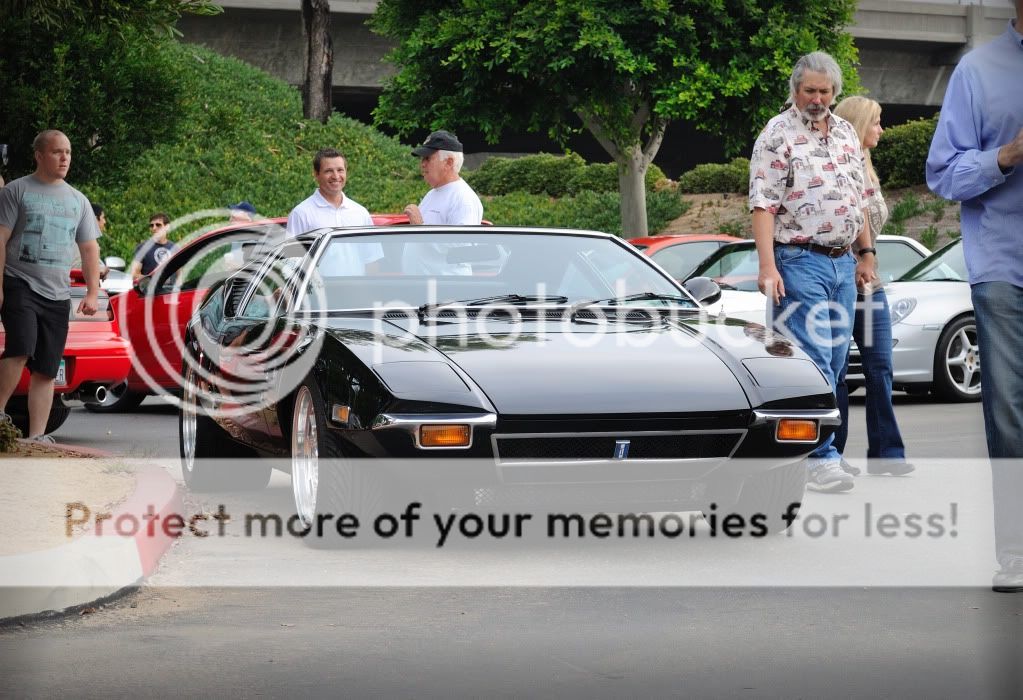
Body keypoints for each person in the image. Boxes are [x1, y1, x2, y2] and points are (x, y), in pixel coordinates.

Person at [926, 0, 1023, 593]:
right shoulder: (976, 70)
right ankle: (1016, 551)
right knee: (1010, 413)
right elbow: (943, 173)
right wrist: (1006, 156)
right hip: (1004, 266)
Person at [749, 51, 877, 493]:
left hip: (843, 261)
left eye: (824, 92)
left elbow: (856, 199)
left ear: (835, 92)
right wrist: (767, 265)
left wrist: (866, 252)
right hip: (798, 258)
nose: (817, 99)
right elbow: (763, 202)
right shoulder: (777, 133)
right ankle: (822, 458)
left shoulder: (844, 133)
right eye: (809, 91)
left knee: (837, 362)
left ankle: (809, 450)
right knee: (814, 357)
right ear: (795, 89)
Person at [0, 129, 101, 442]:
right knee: (20, 346)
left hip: (57, 294)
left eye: (68, 152)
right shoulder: (16, 191)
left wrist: (93, 292)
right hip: (19, 283)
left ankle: (37, 437)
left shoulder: (77, 200)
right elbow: (1, 239)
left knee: (46, 368)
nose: (64, 158)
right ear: (39, 156)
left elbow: (89, 249)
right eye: (57, 152)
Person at [831, 96, 913, 477]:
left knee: (880, 367)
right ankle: (833, 455)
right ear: (859, 124)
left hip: (871, 284)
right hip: (838, 280)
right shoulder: (837, 165)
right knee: (837, 370)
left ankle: (887, 454)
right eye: (876, 122)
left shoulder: (867, 166)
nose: (881, 129)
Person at [286, 148, 381, 275]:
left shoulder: (360, 213)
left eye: (340, 170)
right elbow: (291, 262)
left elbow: (372, 260)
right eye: (328, 171)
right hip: (318, 293)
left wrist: (371, 292)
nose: (336, 176)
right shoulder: (301, 214)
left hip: (357, 291)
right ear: (316, 174)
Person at [402, 130, 483, 275]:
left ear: (449, 162)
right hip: (426, 289)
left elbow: (462, 246)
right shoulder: (433, 193)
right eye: (422, 159)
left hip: (447, 290)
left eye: (427, 158)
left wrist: (420, 227)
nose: (422, 164)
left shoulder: (463, 198)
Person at [130, 212, 177, 282]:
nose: (154, 228)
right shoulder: (142, 247)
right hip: (150, 291)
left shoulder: (175, 248)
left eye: (158, 225)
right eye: (151, 225)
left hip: (171, 291)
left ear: (167, 227)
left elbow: (180, 275)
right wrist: (155, 281)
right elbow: (134, 275)